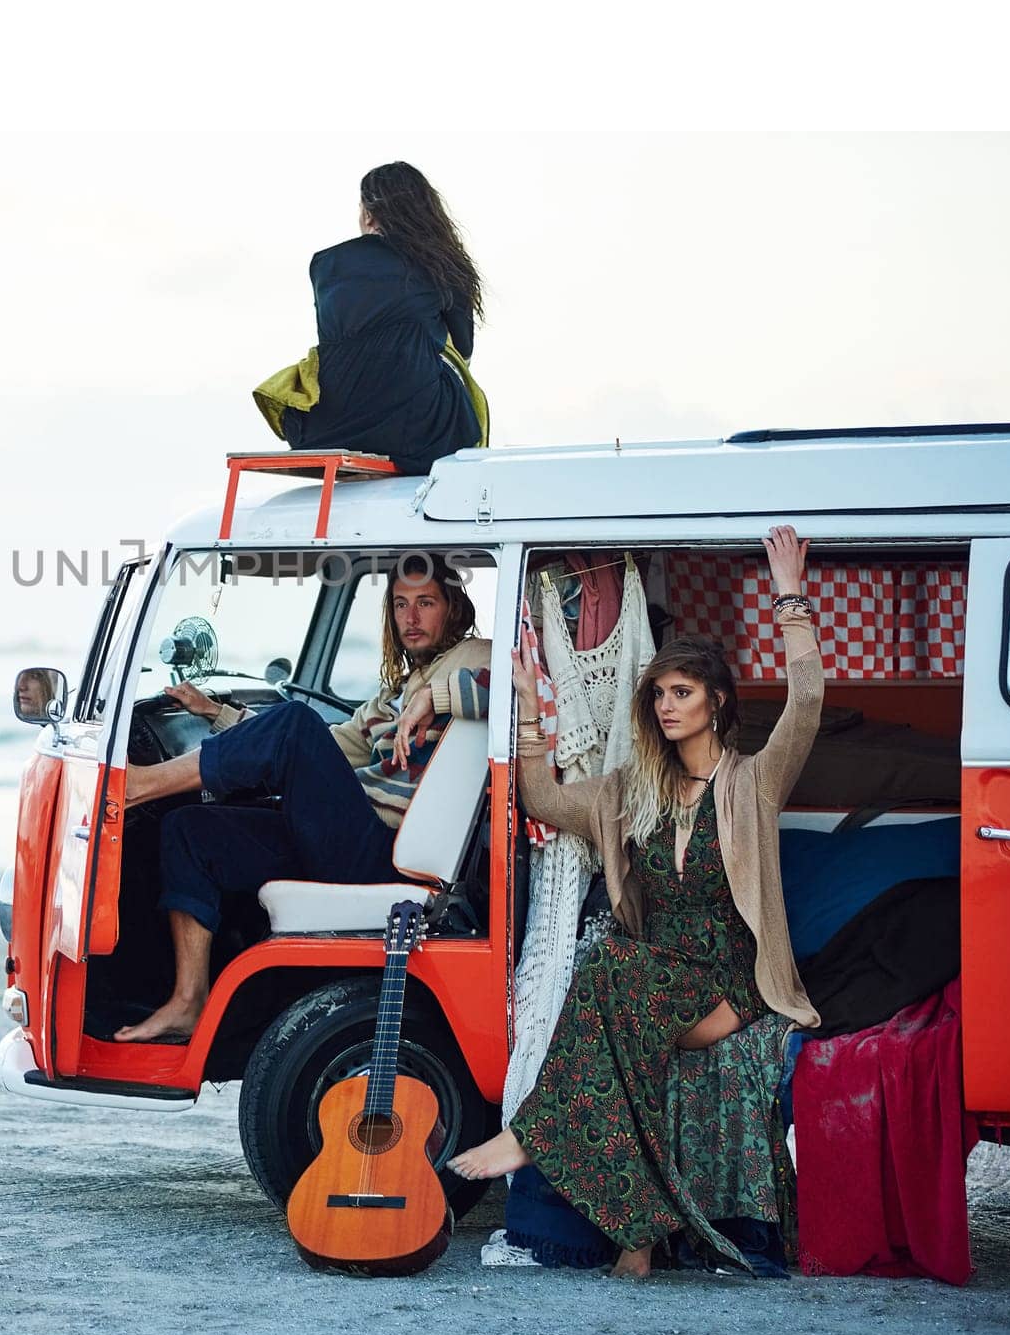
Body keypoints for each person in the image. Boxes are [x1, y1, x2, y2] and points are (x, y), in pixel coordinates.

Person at [448, 527, 822, 1278]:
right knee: (613, 973)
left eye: (681, 693)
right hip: (656, 977)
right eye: (657, 695)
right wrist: (527, 706)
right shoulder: (631, 793)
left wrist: (789, 596)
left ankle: (539, 1142)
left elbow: (807, 698)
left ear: (717, 701)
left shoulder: (754, 782)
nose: (665, 706)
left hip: (730, 983)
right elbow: (544, 799)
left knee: (609, 968)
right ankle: (638, 1235)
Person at [114, 555, 491, 1043]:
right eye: (400, 605)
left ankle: (138, 784)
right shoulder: (392, 693)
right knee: (190, 830)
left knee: (294, 721)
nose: (411, 618)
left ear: (453, 609)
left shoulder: (477, 655)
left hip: (385, 852)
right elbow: (327, 749)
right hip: (345, 836)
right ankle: (188, 1000)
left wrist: (436, 698)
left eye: (425, 603)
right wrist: (215, 712)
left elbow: (517, 688)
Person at [281, 162, 485, 475]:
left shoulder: (325, 263)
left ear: (368, 214)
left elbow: (338, 339)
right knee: (457, 379)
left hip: (330, 426)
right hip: (418, 429)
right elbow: (464, 349)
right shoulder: (443, 261)